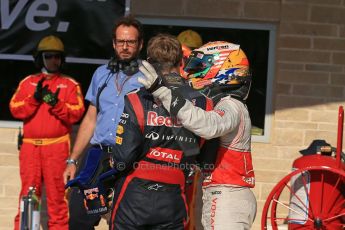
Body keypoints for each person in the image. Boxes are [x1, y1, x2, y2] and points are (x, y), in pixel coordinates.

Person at [138, 41, 257, 230]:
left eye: (199, 67)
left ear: (222, 67)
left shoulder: (232, 105)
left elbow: (207, 126)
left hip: (228, 195)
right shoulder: (225, 103)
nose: (190, 73)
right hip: (223, 194)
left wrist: (163, 92)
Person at [109, 34, 214, 230]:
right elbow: (207, 156)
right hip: (175, 195)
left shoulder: (136, 99)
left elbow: (124, 158)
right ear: (181, 61)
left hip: (134, 194)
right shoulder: (203, 102)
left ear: (149, 63)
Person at [62, 15, 144, 229]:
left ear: (140, 44)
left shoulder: (148, 77)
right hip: (99, 157)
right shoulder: (101, 74)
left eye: (131, 42)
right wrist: (72, 161)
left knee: (123, 222)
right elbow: (90, 118)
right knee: (80, 216)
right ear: (114, 43)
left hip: (131, 160)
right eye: (120, 42)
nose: (125, 47)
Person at [9, 35, 85, 230]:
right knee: (28, 195)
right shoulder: (28, 82)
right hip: (30, 148)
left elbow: (77, 114)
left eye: (57, 56)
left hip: (57, 148)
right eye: (49, 56)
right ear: (40, 58)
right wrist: (34, 99)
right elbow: (15, 108)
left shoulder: (70, 85)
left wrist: (56, 104)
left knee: (58, 198)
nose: (53, 60)